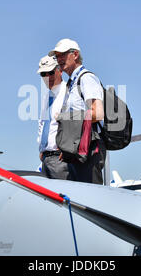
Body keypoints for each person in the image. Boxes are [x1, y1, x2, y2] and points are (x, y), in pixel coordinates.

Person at [48, 38, 106, 184]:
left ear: (75, 55)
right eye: (57, 56)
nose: (59, 59)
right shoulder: (72, 83)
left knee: (91, 200)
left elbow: (98, 113)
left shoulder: (86, 78)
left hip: (90, 149)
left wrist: (64, 118)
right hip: (78, 151)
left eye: (63, 55)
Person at [37, 55, 72, 180]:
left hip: (61, 159)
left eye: (51, 72)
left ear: (60, 71)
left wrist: (68, 149)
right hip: (46, 159)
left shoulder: (69, 92)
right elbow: (42, 124)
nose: (47, 77)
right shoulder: (46, 97)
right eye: (43, 74)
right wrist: (41, 149)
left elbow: (76, 121)